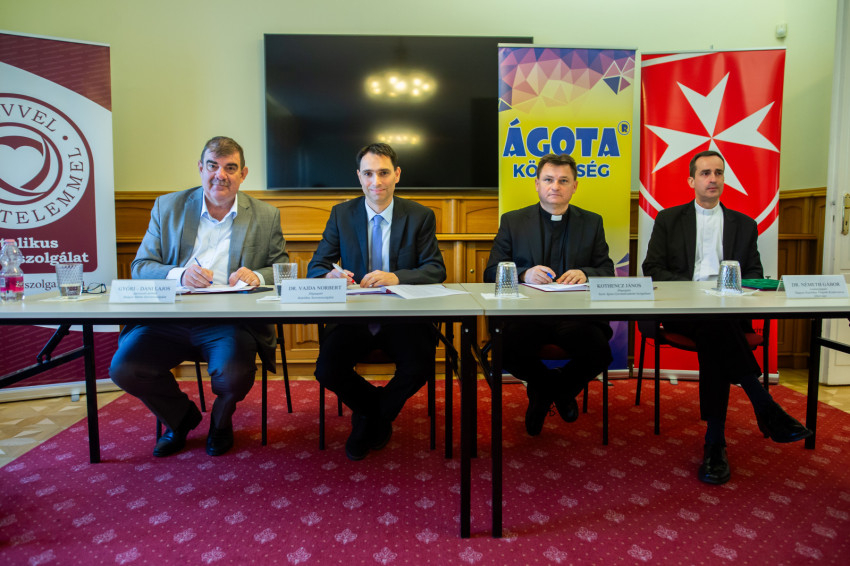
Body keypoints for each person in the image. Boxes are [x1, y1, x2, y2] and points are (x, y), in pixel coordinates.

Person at [110, 136, 289, 458]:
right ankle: (180, 420)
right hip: (171, 316)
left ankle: (221, 422)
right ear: (201, 168)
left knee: (234, 375)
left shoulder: (265, 214)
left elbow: (282, 268)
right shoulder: (168, 207)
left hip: (230, 320)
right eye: (212, 166)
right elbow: (141, 266)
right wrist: (179, 275)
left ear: (243, 174)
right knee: (125, 367)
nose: (220, 175)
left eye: (230, 168)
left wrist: (257, 275)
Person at [642, 149, 811, 485]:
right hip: (683, 311)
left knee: (716, 331)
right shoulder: (668, 219)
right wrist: (695, 290)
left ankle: (716, 442)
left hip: (728, 313)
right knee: (715, 328)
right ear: (691, 180)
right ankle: (762, 406)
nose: (713, 179)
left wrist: (729, 291)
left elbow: (755, 273)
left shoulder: (744, 224)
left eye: (718, 173)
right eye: (705, 173)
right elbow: (653, 269)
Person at [307, 143, 446, 461]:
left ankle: (369, 417)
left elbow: (435, 269)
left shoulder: (420, 215)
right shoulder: (342, 214)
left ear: (397, 175)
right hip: (354, 316)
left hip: (404, 317)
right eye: (368, 174)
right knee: (327, 370)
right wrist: (330, 275)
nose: (376, 182)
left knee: (420, 366)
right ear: (359, 176)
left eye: (384, 173)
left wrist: (396, 277)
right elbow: (317, 266)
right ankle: (377, 412)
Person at [484, 153, 614, 436]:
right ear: (537, 184)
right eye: (549, 179)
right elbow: (491, 271)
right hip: (527, 315)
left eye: (563, 180)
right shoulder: (513, 221)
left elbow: (607, 270)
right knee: (506, 350)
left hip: (575, 316)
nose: (555, 186)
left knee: (600, 352)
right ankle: (557, 390)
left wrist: (585, 273)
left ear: (574, 186)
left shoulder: (592, 222)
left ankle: (543, 393)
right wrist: (523, 274)